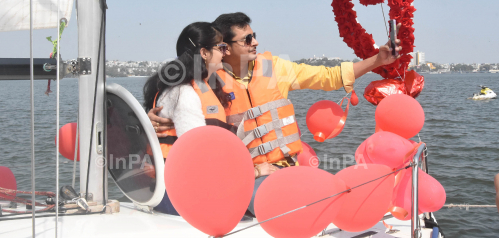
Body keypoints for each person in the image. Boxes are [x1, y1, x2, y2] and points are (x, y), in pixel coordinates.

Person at [150, 12, 402, 216]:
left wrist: (377, 61)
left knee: (331, 198)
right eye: (246, 39)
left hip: (284, 167)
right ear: (225, 48)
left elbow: (329, 76)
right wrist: (155, 119)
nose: (255, 43)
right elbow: (185, 120)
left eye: (254, 36)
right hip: (246, 179)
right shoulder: (206, 80)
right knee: (293, 209)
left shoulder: (275, 67)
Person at [142, 21, 230, 215]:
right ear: (204, 53)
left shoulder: (196, 86)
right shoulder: (185, 93)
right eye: (221, 47)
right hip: (180, 194)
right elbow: (196, 151)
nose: (226, 52)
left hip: (169, 188)